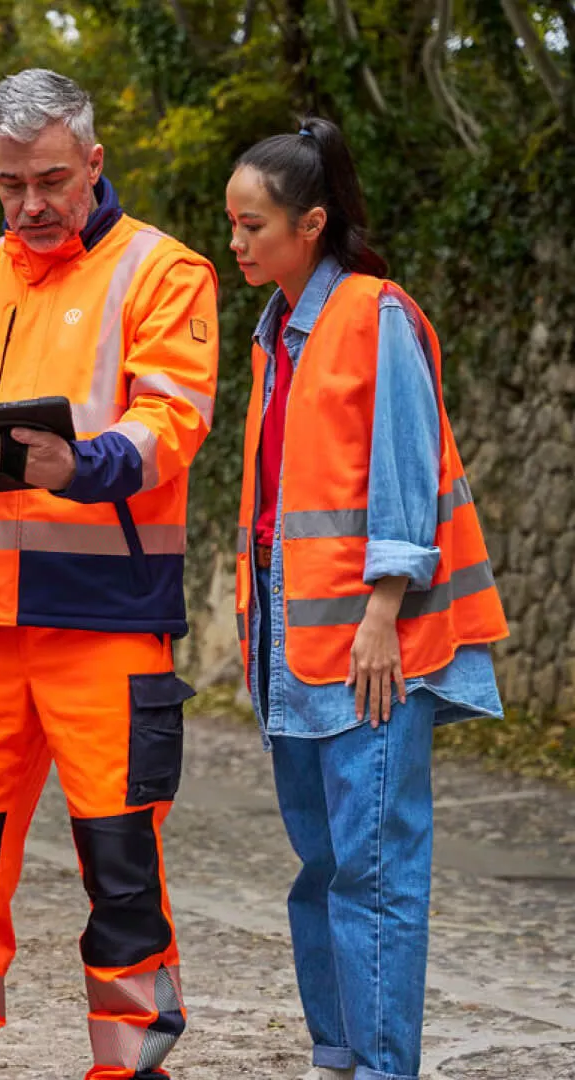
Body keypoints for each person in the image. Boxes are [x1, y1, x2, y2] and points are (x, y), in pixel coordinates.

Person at [0, 69, 218, 1080]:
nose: (31, 204)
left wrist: (86, 464)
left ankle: (131, 1068)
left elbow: (173, 419)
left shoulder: (165, 270)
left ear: (95, 164)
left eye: (52, 181)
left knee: (119, 872)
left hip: (108, 629)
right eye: (10, 184)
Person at [225, 117, 508, 1080]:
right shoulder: (276, 332)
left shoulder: (375, 314)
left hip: (369, 651)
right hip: (298, 649)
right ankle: (336, 1054)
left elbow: (402, 470)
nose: (237, 242)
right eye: (231, 224)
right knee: (322, 871)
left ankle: (385, 1069)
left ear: (310, 224)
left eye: (252, 225)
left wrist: (385, 610)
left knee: (376, 872)